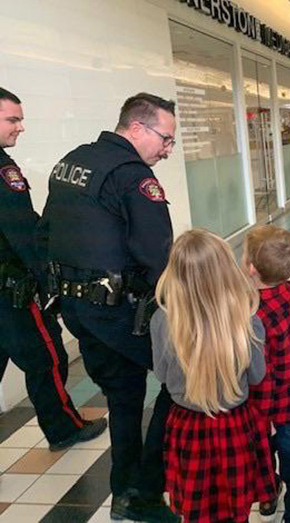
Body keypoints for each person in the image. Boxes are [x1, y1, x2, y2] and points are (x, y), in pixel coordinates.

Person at [38, 93, 179, 522]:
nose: (168, 150)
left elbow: (45, 232)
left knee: (123, 394)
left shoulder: (73, 161)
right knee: (180, 382)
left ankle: (123, 491)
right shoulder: (134, 177)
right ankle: (148, 491)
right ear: (137, 128)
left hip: (79, 312)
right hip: (123, 312)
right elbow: (159, 254)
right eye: (166, 139)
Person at [0, 87, 107, 450]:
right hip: (12, 292)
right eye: (12, 119)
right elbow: (22, 233)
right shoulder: (3, 171)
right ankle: (63, 428)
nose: (20, 127)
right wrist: (50, 278)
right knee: (47, 359)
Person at [151, 229, 276, 523]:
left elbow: (162, 376)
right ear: (226, 270)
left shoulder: (162, 319)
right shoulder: (247, 319)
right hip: (235, 424)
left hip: (187, 425)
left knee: (196, 504)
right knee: (236, 502)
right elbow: (257, 376)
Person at [244, 225, 290, 522]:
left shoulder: (252, 314)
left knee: (262, 453)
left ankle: (269, 493)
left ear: (249, 268)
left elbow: (259, 371)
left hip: (264, 405)